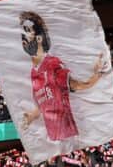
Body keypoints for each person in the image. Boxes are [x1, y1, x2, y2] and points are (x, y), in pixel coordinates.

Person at [19, 11, 107, 141]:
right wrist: (31, 116)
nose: (23, 38)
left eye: (27, 32)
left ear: (39, 38)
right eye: (22, 34)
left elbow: (78, 85)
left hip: (68, 136)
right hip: (55, 140)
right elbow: (43, 105)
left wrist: (97, 74)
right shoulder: (33, 73)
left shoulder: (52, 64)